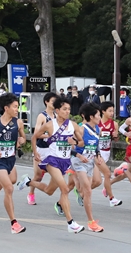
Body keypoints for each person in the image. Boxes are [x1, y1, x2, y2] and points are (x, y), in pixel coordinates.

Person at [22, 98, 86, 233]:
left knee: (49, 191)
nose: (67, 111)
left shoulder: (73, 125)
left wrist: (73, 140)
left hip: (64, 162)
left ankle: (29, 182)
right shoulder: (50, 125)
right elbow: (34, 136)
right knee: (64, 189)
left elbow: (81, 143)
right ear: (57, 111)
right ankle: (70, 222)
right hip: (52, 160)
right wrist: (35, 153)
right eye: (64, 109)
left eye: (69, 109)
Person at [0, 93, 27, 234]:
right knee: (8, 188)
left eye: (17, 107)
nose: (17, 109)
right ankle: (14, 223)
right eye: (15, 107)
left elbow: (23, 137)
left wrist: (21, 141)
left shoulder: (18, 122)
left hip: (11, 159)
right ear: (6, 108)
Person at [70, 103, 105, 232]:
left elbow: (96, 145)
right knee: (88, 191)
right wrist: (79, 156)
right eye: (98, 115)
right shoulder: (81, 129)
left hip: (90, 161)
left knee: (86, 191)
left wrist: (98, 155)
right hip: (79, 161)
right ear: (91, 116)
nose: (100, 118)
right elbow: (70, 146)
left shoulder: (98, 130)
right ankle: (91, 222)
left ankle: (76, 184)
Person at [25, 92, 59, 206]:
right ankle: (30, 193)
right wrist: (48, 135)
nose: (55, 104)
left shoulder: (57, 116)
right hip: (41, 148)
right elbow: (36, 134)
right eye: (53, 102)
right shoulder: (42, 116)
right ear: (47, 102)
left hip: (53, 150)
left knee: (57, 175)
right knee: (38, 176)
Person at [97, 101, 122, 206]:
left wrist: (115, 136)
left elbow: (116, 140)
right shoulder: (97, 122)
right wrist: (99, 133)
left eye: (113, 111)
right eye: (110, 111)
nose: (112, 113)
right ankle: (111, 198)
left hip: (106, 152)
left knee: (97, 178)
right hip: (97, 153)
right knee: (107, 174)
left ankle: (79, 189)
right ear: (103, 111)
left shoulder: (114, 124)